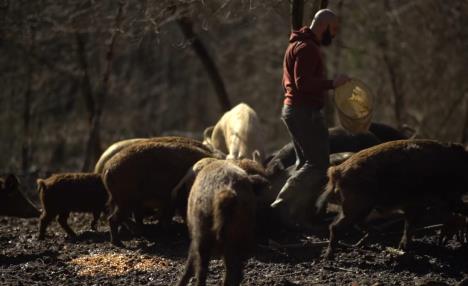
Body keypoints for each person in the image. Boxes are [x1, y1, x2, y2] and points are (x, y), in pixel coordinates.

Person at [270, 9, 350, 228]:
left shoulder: (296, 44)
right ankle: (280, 203)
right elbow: (301, 83)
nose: (333, 36)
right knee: (318, 164)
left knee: (305, 163)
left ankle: (295, 215)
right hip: (303, 111)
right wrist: (332, 83)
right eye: (332, 31)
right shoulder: (307, 48)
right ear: (324, 26)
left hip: (294, 110)